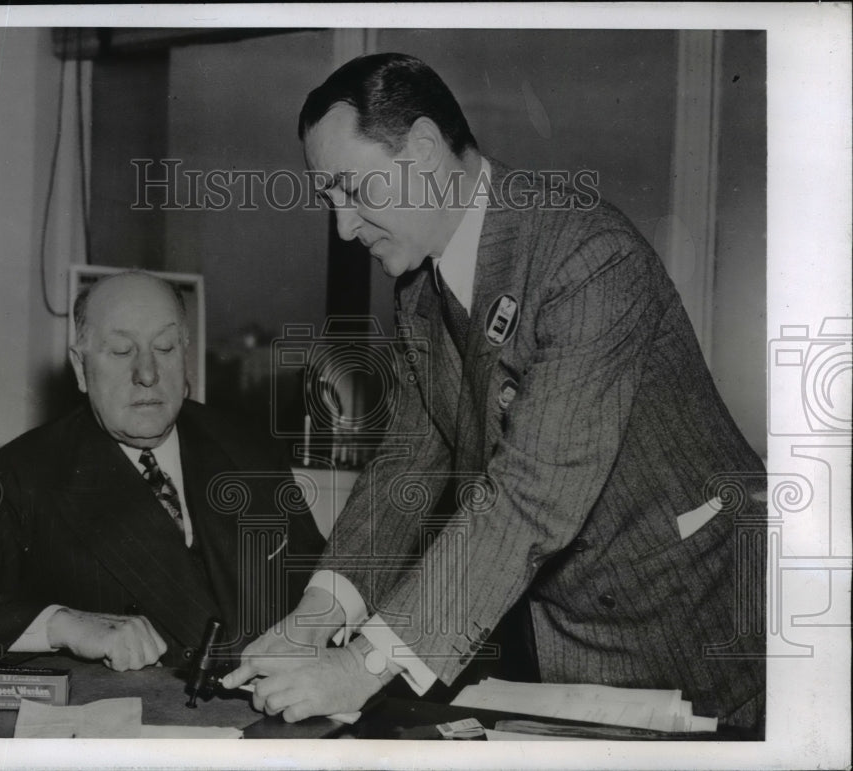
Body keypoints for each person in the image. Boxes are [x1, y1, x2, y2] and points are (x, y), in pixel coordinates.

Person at [223, 53, 766, 730]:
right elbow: (406, 465)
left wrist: (361, 665)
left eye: (352, 190)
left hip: (702, 633)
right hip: (578, 647)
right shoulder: (420, 291)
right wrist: (316, 619)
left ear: (422, 149)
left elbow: (529, 497)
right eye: (328, 200)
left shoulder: (588, 257)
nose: (342, 226)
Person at [0, 271, 325, 670]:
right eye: (120, 351)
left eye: (166, 347)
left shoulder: (248, 448)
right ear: (81, 367)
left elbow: (323, 583)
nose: (148, 374)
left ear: (186, 355)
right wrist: (64, 625)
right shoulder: (30, 474)